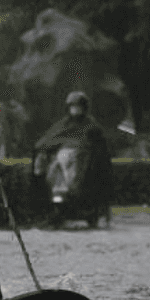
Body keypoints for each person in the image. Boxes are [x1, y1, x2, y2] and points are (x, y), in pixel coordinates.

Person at [32, 91, 113, 227]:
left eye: (78, 106)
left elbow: (99, 151)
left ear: (84, 108)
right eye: (72, 106)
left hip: (84, 169)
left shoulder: (92, 127)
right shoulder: (64, 124)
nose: (75, 109)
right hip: (60, 166)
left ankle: (93, 213)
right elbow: (45, 141)